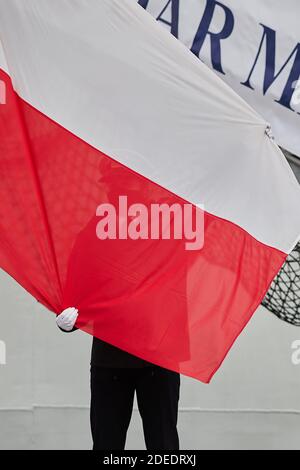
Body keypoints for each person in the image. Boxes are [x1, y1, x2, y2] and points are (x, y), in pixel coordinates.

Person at [56, 307, 180, 450]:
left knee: (163, 444)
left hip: (159, 357)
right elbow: (86, 287)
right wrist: (67, 316)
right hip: (111, 357)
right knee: (107, 442)